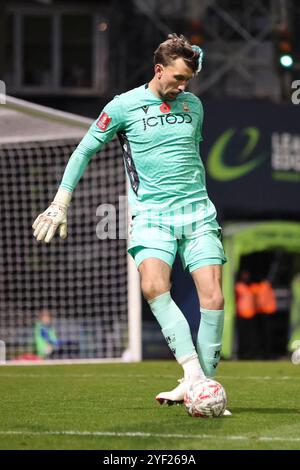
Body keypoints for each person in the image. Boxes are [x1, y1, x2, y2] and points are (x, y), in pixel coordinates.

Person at [32, 34, 229, 415]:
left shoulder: (194, 104)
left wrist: (189, 54)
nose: (183, 86)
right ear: (158, 71)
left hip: (197, 213)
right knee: (154, 285)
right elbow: (85, 149)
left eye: (189, 79)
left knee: (214, 298)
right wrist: (61, 201)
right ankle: (194, 376)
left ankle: (200, 385)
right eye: (176, 78)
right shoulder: (123, 106)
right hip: (152, 216)